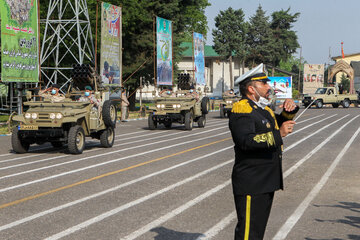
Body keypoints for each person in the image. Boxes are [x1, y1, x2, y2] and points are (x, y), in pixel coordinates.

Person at [229, 65, 299, 240]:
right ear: (252, 89)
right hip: (252, 182)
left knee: (257, 232)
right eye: (264, 84)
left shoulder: (262, 109)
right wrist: (279, 134)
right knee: (248, 234)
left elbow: (275, 123)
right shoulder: (242, 110)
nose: (270, 87)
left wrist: (288, 112)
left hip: (264, 181)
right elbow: (246, 141)